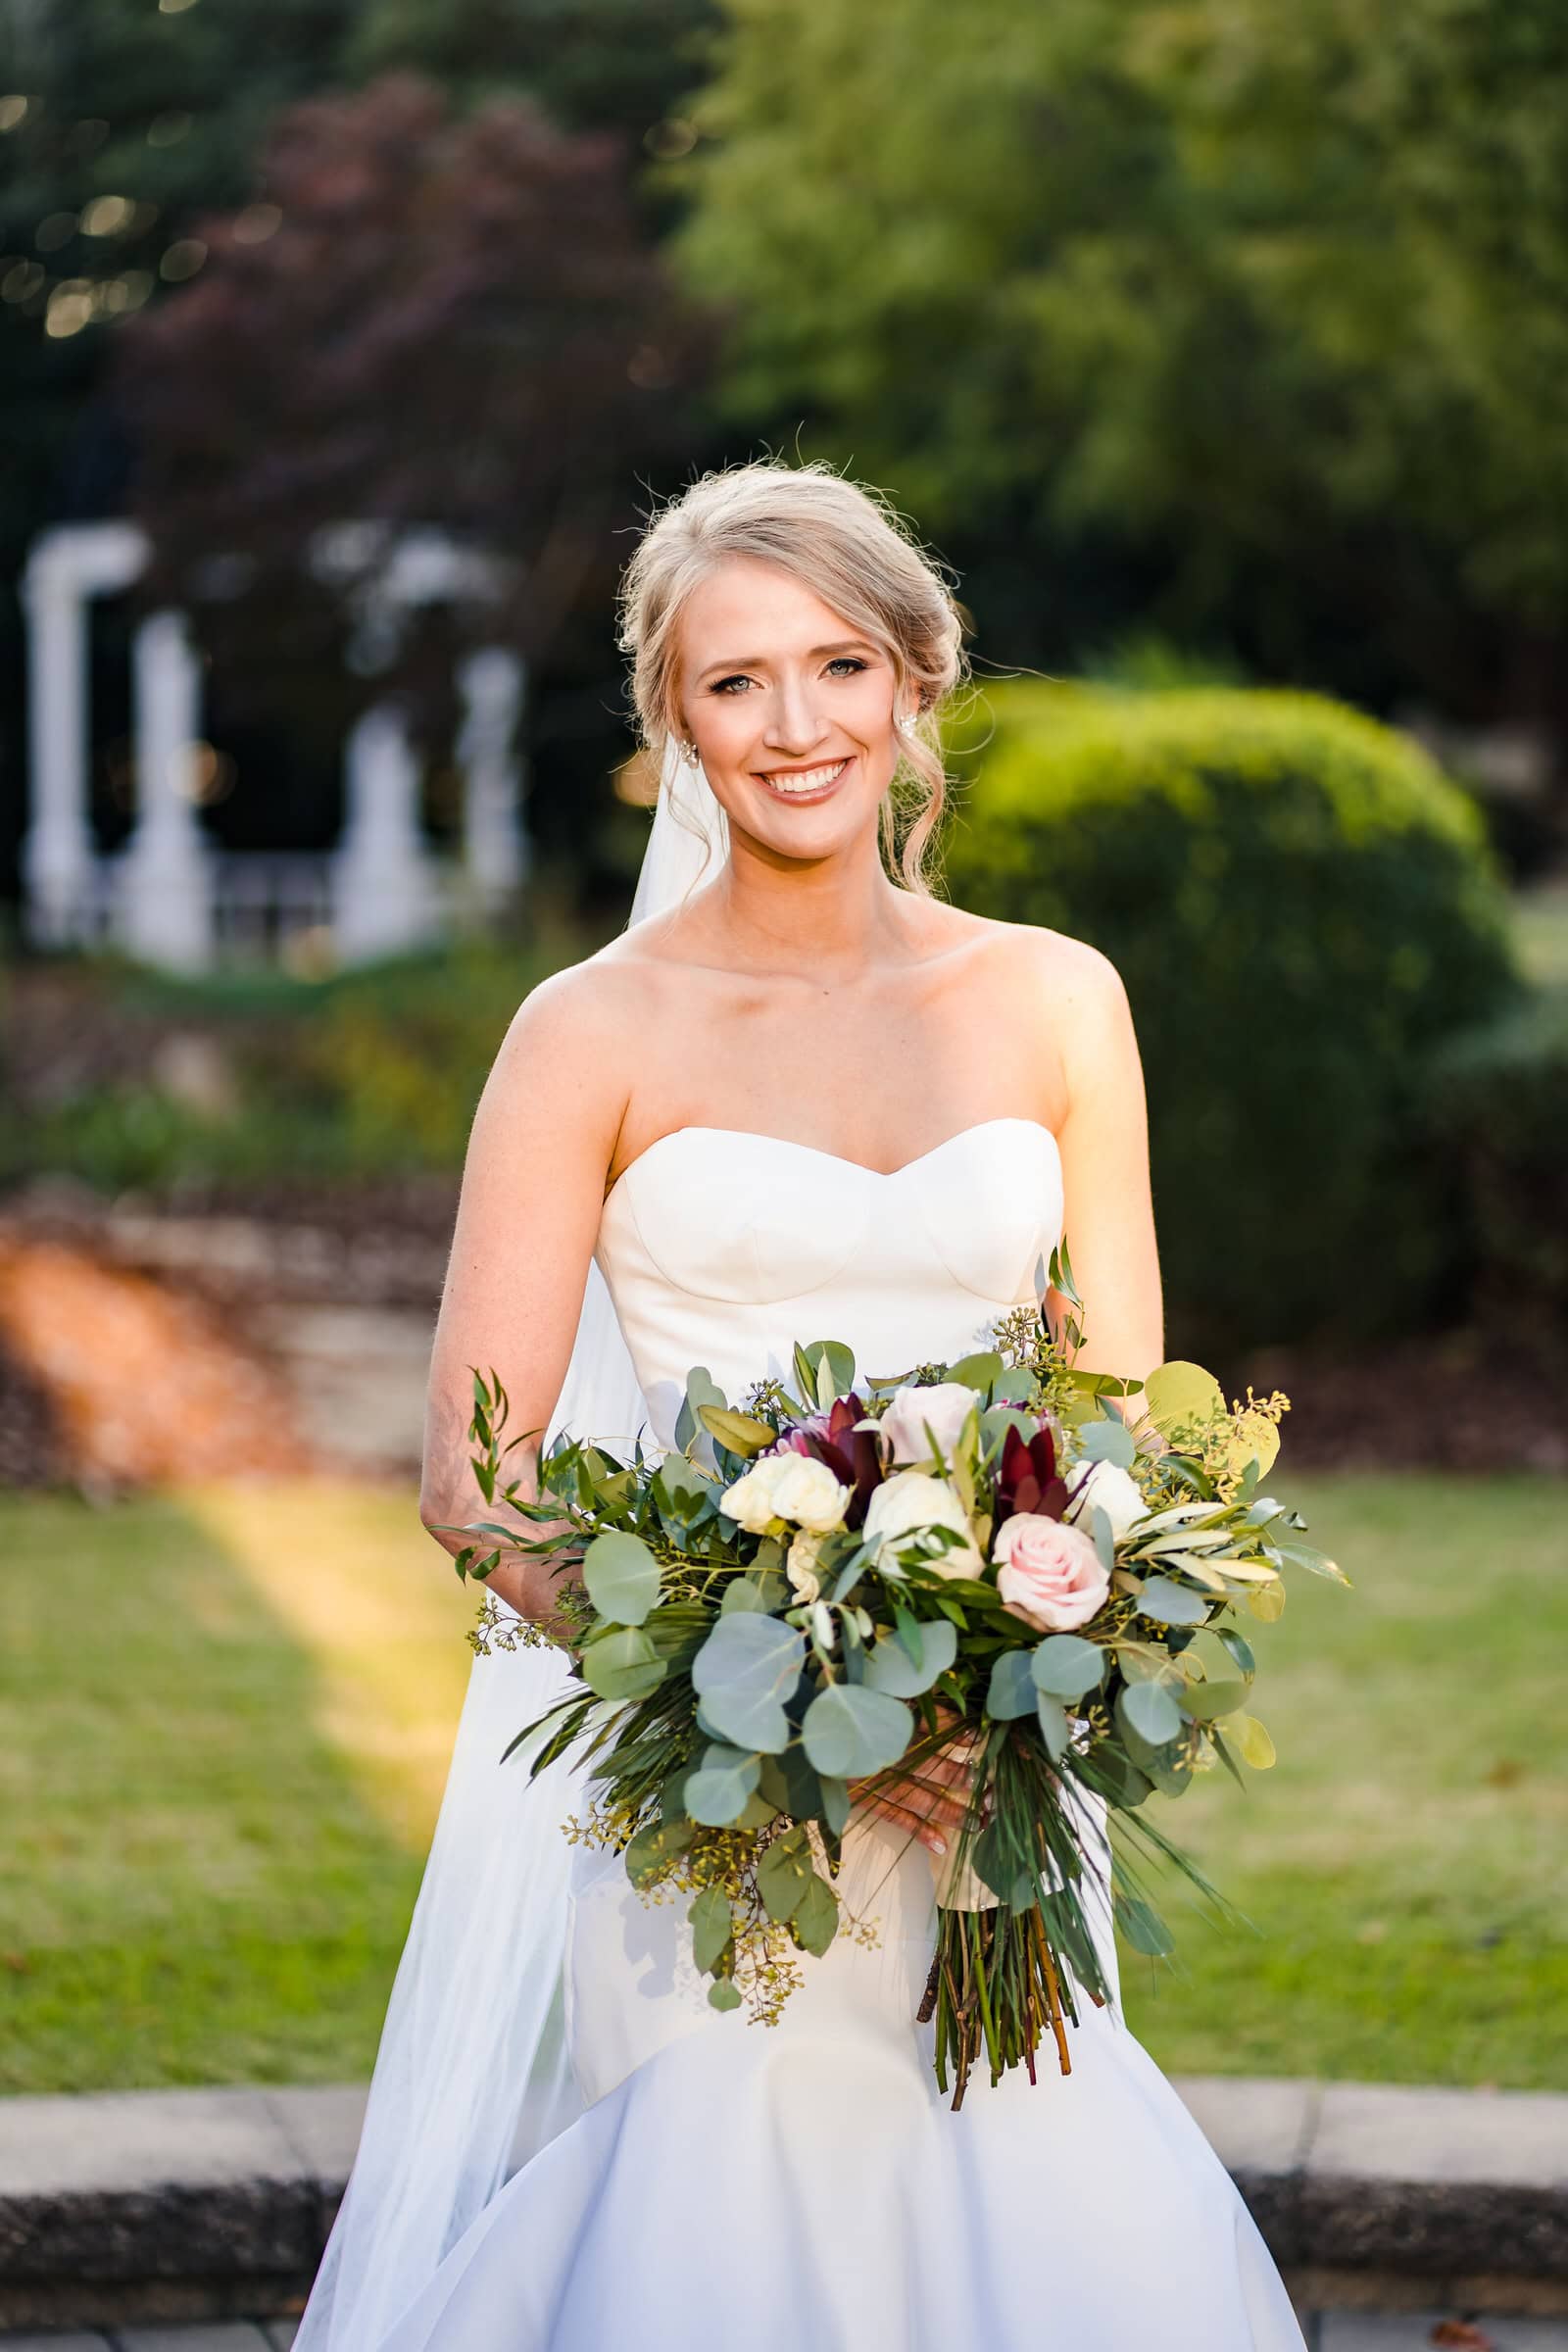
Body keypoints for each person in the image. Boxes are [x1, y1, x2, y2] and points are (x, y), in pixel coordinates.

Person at [297, 460, 1307, 2350]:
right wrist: (775, 1710)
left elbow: (1129, 1424)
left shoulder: (1058, 1001)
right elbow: (474, 1474)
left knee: (1017, 2179)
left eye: (837, 666)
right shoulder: (584, 1032)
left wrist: (1005, 1678)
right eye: (734, 682)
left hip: (1002, 1767)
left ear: (918, 680)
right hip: (716, 1807)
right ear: (671, 720)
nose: (793, 725)